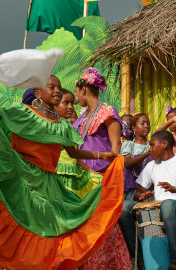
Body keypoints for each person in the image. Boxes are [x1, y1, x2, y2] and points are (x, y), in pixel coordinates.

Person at [0, 71, 125, 269]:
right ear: (38, 93)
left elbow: (74, 153)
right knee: (26, 226)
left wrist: (103, 155)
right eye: (52, 87)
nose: (58, 91)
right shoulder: (23, 112)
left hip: (50, 184)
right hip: (21, 177)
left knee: (49, 230)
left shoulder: (62, 126)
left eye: (59, 88)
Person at [73, 68, 132, 269]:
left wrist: (104, 179)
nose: (76, 98)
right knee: (86, 224)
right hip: (82, 177)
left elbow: (116, 150)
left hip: (101, 177)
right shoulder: (81, 117)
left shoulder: (107, 111)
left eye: (77, 93)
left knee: (104, 225)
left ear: (83, 90)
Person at [134, 130, 176, 269]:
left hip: (171, 205)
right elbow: (137, 194)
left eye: (152, 145)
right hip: (158, 207)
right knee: (126, 209)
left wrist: (174, 189)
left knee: (168, 206)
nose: (149, 149)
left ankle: (174, 257)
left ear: (164, 144)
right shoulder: (151, 165)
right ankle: (143, 259)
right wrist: (142, 196)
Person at [118, 113, 152, 260]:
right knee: (124, 211)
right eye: (142, 123)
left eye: (148, 123)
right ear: (133, 127)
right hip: (131, 193)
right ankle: (138, 257)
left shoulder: (153, 145)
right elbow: (127, 163)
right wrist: (147, 154)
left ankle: (152, 258)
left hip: (149, 193)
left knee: (150, 223)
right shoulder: (128, 145)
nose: (146, 126)